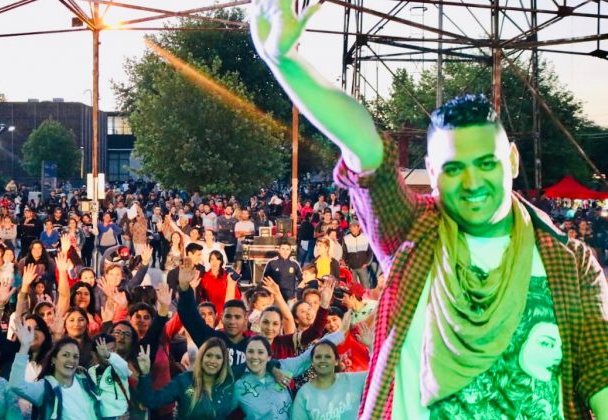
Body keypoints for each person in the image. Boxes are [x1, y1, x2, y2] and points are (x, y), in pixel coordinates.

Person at [250, 2, 608, 417]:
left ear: (511, 160)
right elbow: (365, 146)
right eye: (454, 169)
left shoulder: (569, 261)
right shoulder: (412, 232)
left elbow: (597, 373)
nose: (473, 183)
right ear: (433, 174)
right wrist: (286, 63)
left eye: (486, 163)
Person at [9, 319, 127, 420]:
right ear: (54, 359)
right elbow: (16, 385)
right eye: (66, 355)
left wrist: (117, 415)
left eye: (75, 356)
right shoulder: (45, 388)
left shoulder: (85, 380)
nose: (71, 360)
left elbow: (101, 407)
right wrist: (24, 347)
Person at [136, 337, 234, 419]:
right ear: (201, 357)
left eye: (218, 357)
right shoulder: (184, 381)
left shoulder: (228, 384)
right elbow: (152, 400)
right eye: (208, 355)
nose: (213, 361)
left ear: (224, 361)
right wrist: (145, 374)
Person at [290, 340, 367, 420]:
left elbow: (379, 374)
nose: (323, 360)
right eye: (318, 357)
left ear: (336, 361)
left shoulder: (354, 380)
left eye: (328, 357)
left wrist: (371, 346)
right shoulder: (304, 393)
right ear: (312, 362)